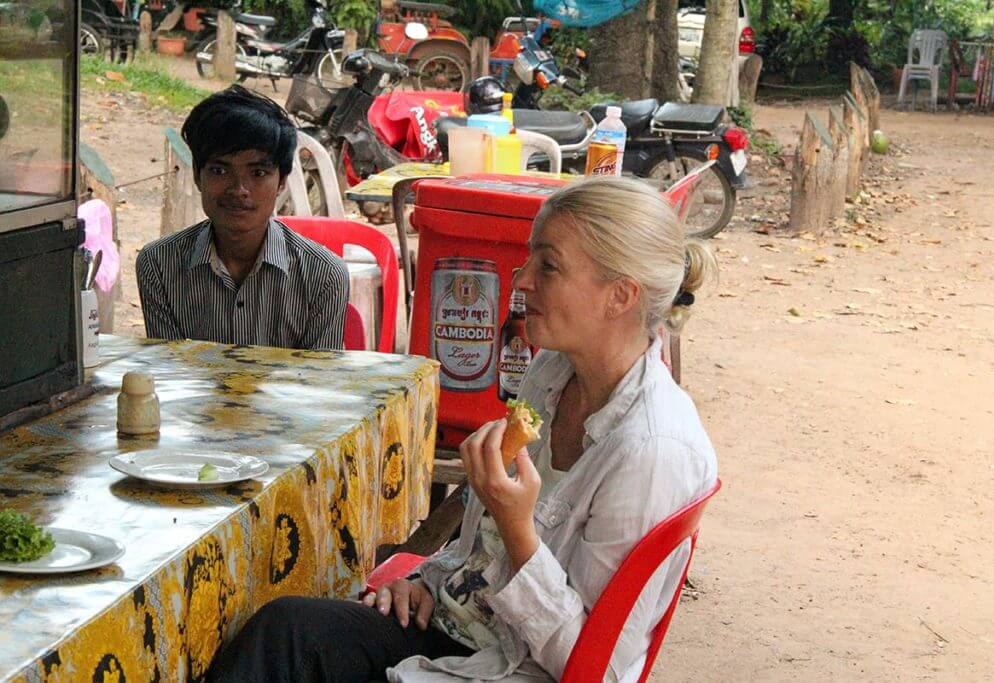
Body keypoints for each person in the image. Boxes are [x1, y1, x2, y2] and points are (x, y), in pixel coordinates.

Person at [207, 176, 719, 682]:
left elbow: (593, 668)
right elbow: (479, 549)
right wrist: (427, 581)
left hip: (517, 667)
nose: (521, 281)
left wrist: (519, 530)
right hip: (470, 629)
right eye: (529, 260)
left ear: (620, 295)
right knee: (286, 629)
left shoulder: (652, 451)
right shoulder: (553, 371)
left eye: (550, 266)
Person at [136, 85, 348, 350]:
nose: (239, 190)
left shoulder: (323, 275)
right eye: (219, 171)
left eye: (258, 173)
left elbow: (317, 384)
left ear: (281, 181)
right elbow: (169, 375)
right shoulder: (159, 265)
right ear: (197, 176)